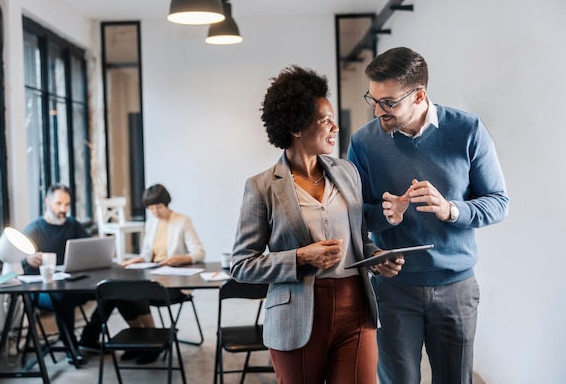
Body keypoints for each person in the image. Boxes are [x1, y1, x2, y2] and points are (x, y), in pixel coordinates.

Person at [230, 65, 404, 384]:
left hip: (356, 307)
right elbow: (241, 265)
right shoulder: (262, 187)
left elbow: (357, 239)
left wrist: (378, 258)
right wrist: (300, 257)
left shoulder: (348, 172)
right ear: (297, 127)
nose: (335, 127)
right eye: (325, 120)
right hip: (296, 316)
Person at [347, 47, 509, 384]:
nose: (378, 111)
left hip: (456, 289)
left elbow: (498, 202)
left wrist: (451, 209)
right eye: (373, 99)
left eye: (388, 102)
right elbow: (350, 217)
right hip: (393, 290)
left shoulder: (467, 130)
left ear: (419, 95)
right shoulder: (363, 143)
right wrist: (385, 217)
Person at [22, 183, 114, 364]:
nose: (63, 209)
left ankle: (89, 337)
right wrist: (29, 259)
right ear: (47, 202)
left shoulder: (72, 225)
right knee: (63, 297)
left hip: (73, 282)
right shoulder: (34, 229)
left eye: (66, 205)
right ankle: (70, 346)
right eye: (58, 204)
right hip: (44, 290)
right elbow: (24, 263)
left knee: (110, 290)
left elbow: (91, 247)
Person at [118, 183, 205, 364]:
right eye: (151, 208)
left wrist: (180, 259)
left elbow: (199, 252)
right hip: (153, 275)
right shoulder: (151, 223)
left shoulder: (182, 221)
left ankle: (153, 343)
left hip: (174, 283)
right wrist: (138, 259)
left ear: (167, 204)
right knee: (121, 294)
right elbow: (147, 254)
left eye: (158, 207)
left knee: (137, 293)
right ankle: (141, 340)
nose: (155, 212)